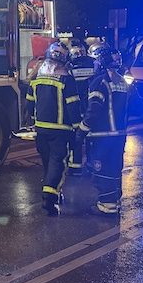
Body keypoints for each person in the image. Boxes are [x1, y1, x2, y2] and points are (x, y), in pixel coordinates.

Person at [27, 41, 82, 216]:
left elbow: (29, 101)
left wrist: (34, 120)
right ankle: (49, 197)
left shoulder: (37, 75)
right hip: (60, 129)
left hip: (41, 128)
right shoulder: (66, 76)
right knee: (58, 162)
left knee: (48, 162)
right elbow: (73, 104)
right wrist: (77, 127)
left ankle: (52, 192)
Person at [77, 43, 130, 215]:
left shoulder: (99, 81)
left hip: (102, 136)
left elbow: (94, 109)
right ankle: (114, 201)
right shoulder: (121, 80)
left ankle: (107, 205)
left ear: (100, 61)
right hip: (119, 135)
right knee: (115, 168)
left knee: (101, 169)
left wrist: (82, 131)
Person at [67, 43, 96, 177]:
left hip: (77, 106)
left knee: (76, 136)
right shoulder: (93, 64)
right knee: (91, 137)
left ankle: (75, 167)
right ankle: (92, 164)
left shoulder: (70, 66)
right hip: (91, 105)